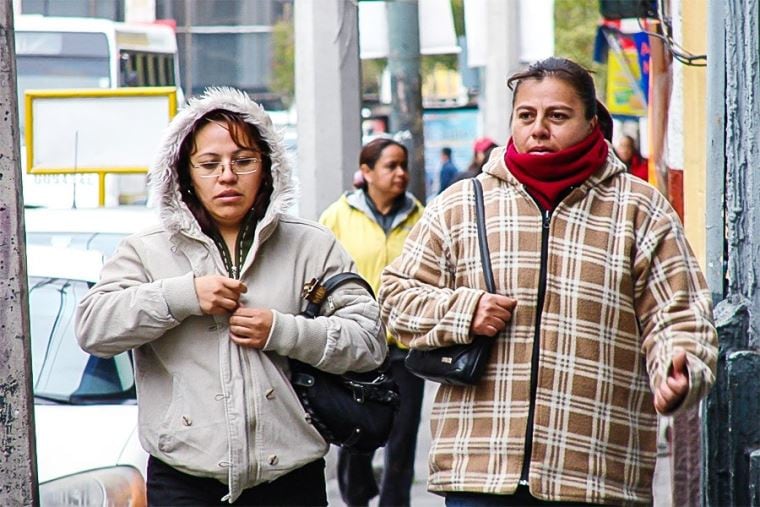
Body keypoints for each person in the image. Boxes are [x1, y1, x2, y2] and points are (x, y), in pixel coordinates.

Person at [379, 57, 717, 505]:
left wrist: (680, 367)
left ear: (592, 122)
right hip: (479, 474)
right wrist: (464, 311)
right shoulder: (462, 204)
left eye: (557, 116)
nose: (539, 129)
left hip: (597, 475)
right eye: (526, 115)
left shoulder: (640, 209)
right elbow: (394, 300)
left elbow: (679, 314)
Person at [75, 87, 387, 506]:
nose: (227, 175)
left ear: (269, 167)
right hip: (183, 480)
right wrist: (181, 297)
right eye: (209, 164)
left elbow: (369, 341)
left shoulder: (311, 244)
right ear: (183, 172)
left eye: (243, 161)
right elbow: (93, 327)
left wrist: (283, 330)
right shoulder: (146, 249)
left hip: (291, 480)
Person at [320, 138, 425, 507]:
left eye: (403, 165)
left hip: (405, 348)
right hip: (356, 347)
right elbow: (318, 274)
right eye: (390, 166)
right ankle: (357, 499)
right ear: (366, 173)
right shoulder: (338, 216)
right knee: (356, 433)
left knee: (402, 438)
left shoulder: (420, 216)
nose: (400, 173)